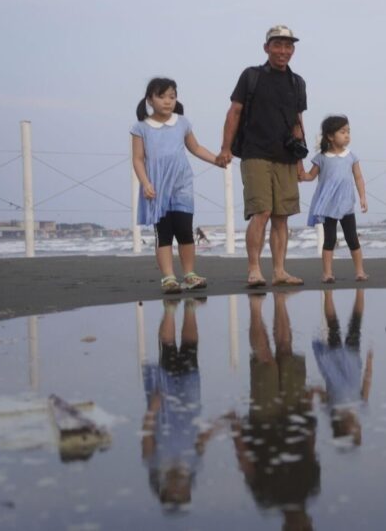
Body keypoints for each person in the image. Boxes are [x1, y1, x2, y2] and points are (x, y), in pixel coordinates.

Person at [216, 25, 308, 289]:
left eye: (288, 46)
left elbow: (297, 123)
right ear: (266, 47)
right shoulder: (251, 76)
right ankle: (254, 269)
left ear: (293, 50)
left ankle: (279, 270)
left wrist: (300, 162)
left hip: (286, 157)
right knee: (262, 211)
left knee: (282, 215)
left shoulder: (297, 82)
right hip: (255, 153)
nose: (283, 51)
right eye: (277, 45)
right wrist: (225, 148)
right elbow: (234, 112)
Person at [225, 292, 320, 530]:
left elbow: (247, 464)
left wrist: (237, 432)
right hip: (296, 415)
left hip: (263, 423)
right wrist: (309, 409)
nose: (302, 525)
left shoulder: (267, 499)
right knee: (286, 350)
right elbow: (310, 448)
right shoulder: (311, 488)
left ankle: (256, 311)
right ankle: (279, 302)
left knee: (265, 360)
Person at [131, 77, 223, 294]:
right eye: (161, 96)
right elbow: (137, 159)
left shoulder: (182, 122)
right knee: (163, 232)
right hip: (156, 185)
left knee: (184, 230)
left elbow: (196, 148)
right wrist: (145, 183)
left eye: (172, 96)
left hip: (182, 184)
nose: (167, 101)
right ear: (150, 100)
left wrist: (217, 160)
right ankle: (169, 278)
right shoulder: (140, 127)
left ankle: (189, 275)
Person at [141, 298, 220, 510]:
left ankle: (169, 310)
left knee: (167, 353)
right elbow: (202, 439)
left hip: (165, 408)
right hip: (190, 402)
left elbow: (148, 433)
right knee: (190, 351)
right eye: (183, 491)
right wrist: (222, 423)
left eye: (174, 491)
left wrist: (153, 407)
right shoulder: (193, 465)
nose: (179, 485)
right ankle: (190, 310)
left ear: (163, 488)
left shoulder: (155, 463)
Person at [300, 115, 368, 283]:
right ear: (330, 136)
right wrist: (298, 170)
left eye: (348, 132)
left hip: (346, 205)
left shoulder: (351, 156)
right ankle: (327, 273)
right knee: (329, 240)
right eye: (342, 132)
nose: (347, 135)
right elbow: (309, 176)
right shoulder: (321, 157)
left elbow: (358, 178)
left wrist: (362, 197)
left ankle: (360, 272)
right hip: (328, 206)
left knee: (352, 238)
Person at [313, 289, 373, 449]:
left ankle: (328, 294)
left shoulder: (333, 409)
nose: (358, 426)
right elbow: (367, 382)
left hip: (337, 361)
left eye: (356, 430)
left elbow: (320, 392)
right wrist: (369, 362)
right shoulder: (357, 406)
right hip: (350, 360)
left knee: (335, 326)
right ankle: (359, 293)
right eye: (359, 430)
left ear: (345, 429)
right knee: (354, 324)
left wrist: (313, 392)